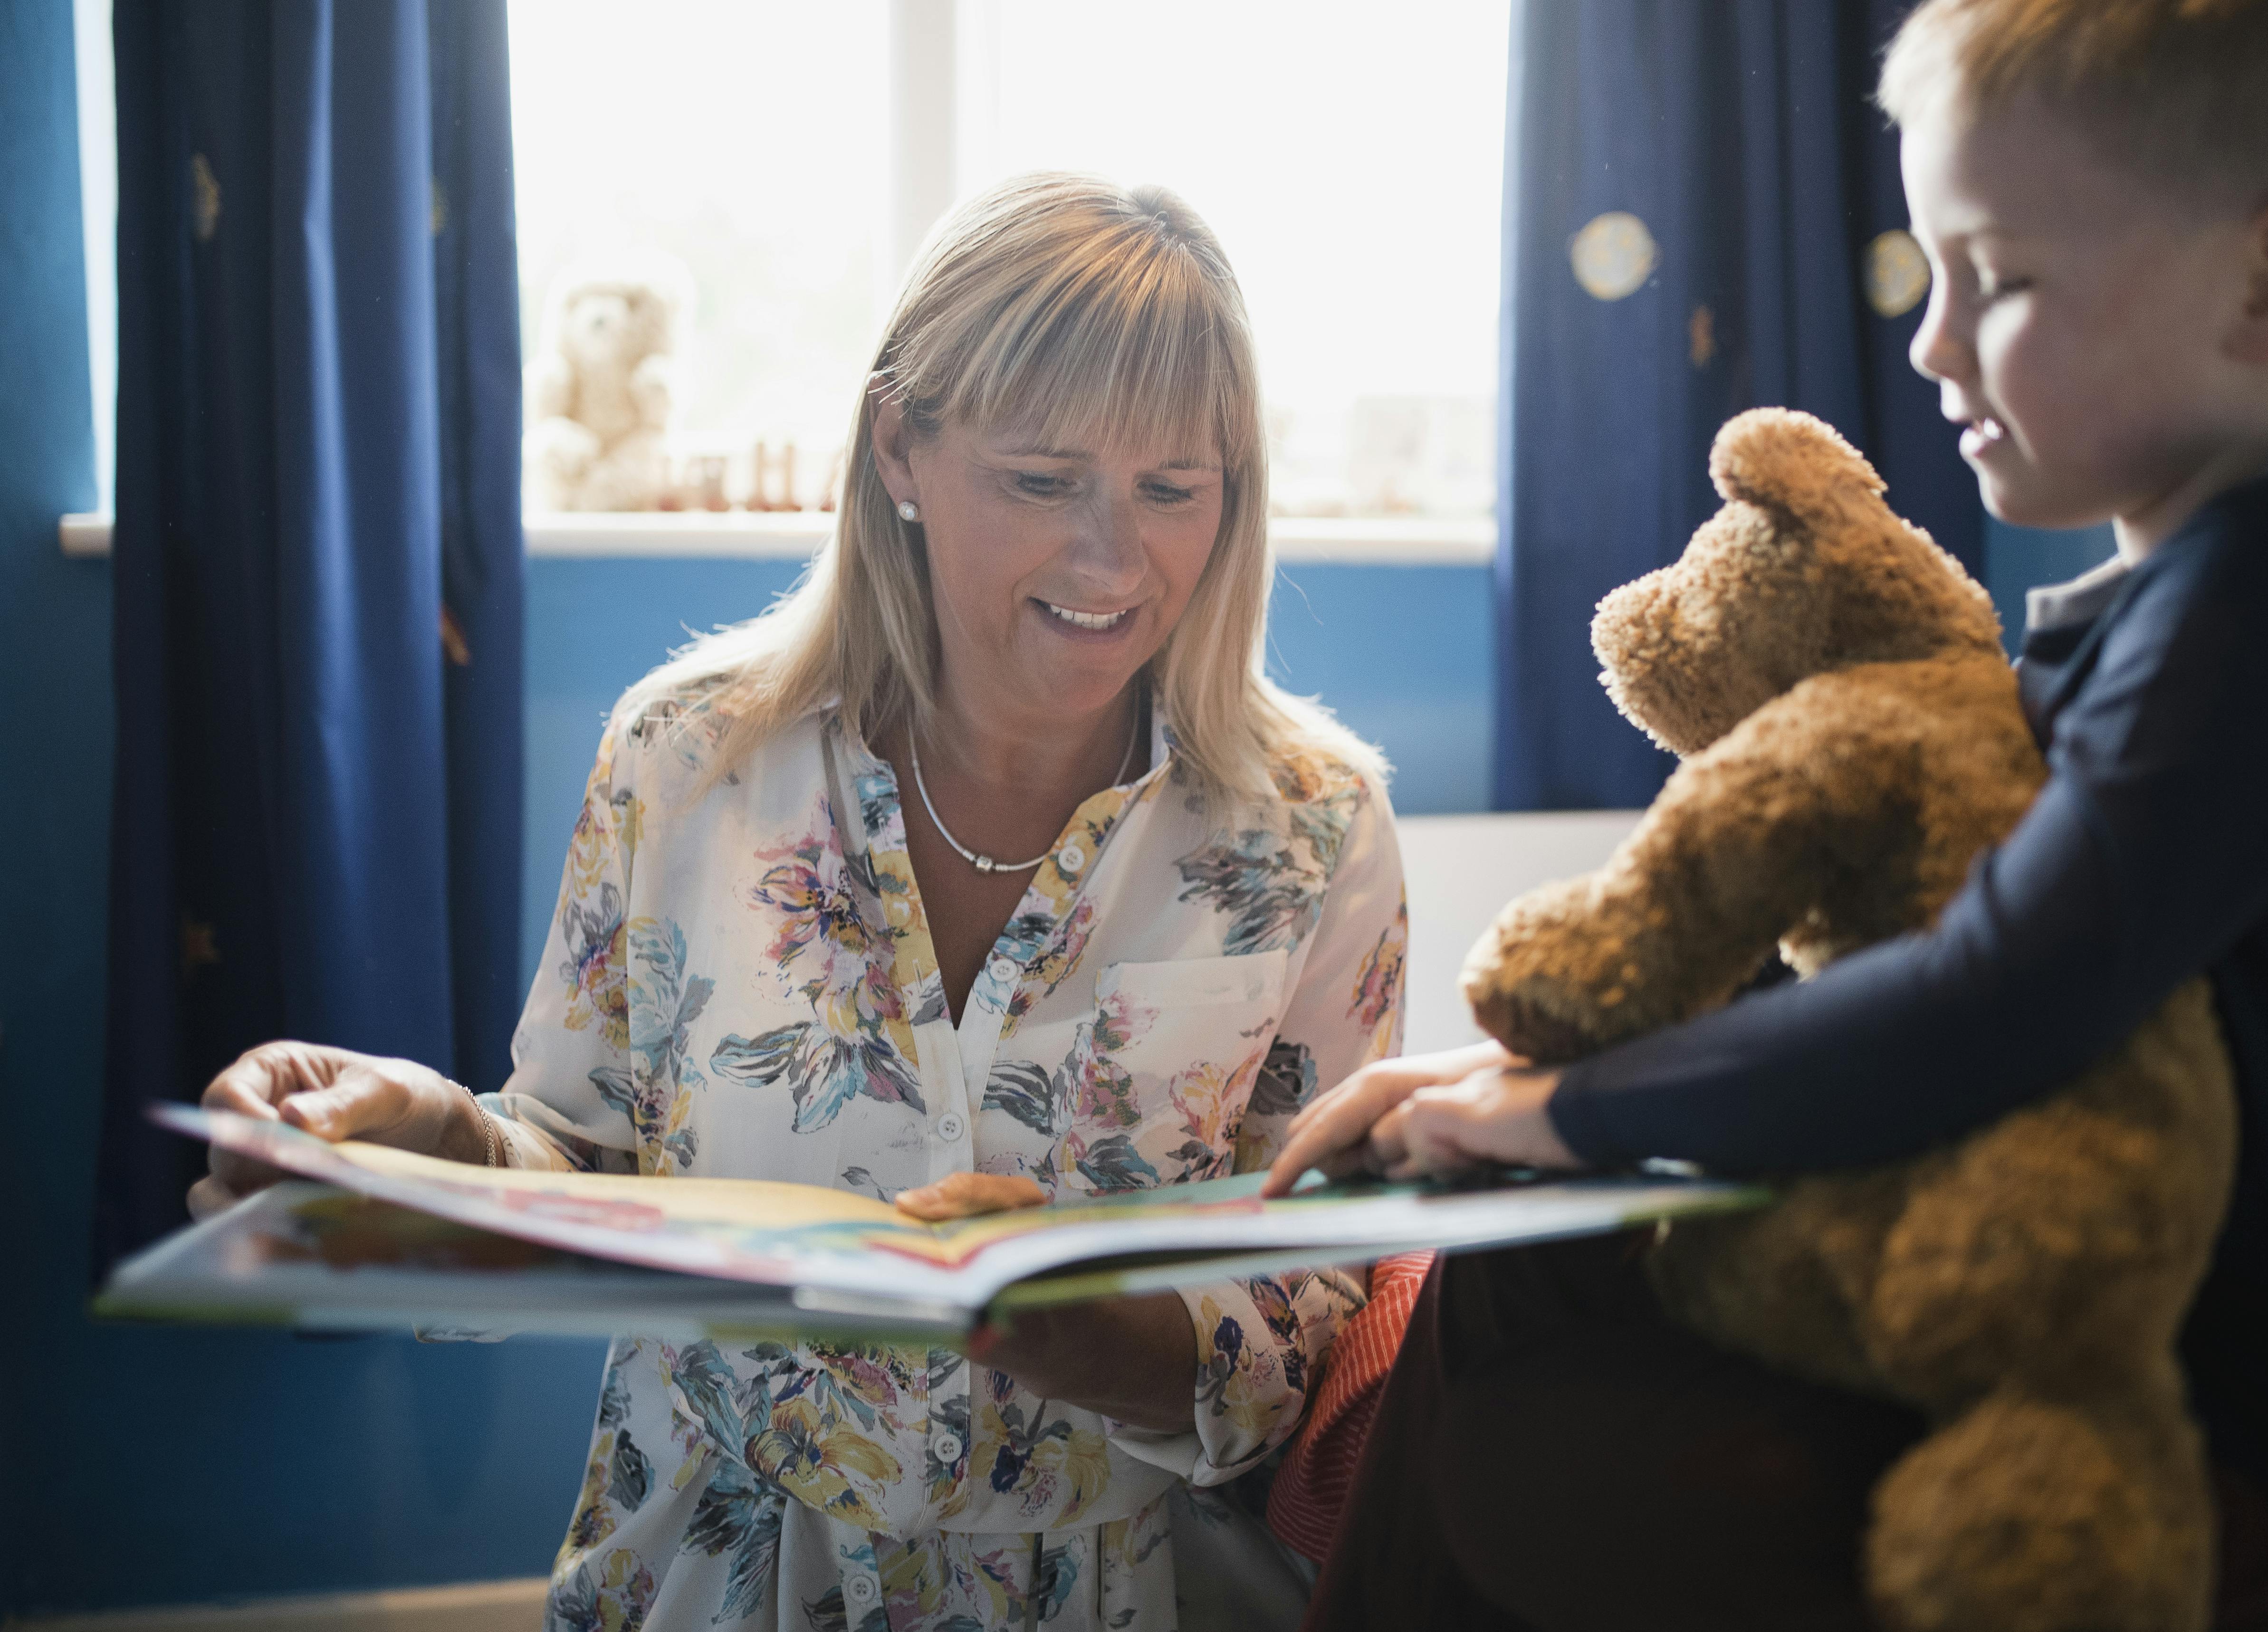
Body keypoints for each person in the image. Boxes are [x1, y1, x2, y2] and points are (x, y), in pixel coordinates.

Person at [1269, 1, 2268, 1627]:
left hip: (2266, 1437)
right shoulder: (2187, 600)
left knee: (1546, 1458)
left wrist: (1571, 1107)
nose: (1929, 343)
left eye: (2001, 278)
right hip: (2118, 1327)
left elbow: (2003, 987)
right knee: (1509, 1257)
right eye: (1931, 271)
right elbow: (1917, 931)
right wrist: (1528, 1082)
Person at [192, 173, 1407, 1632]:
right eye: (1043, 479)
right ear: (901, 443)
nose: (1112, 557)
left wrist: (1104, 1340)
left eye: (1172, 488)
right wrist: (425, 1147)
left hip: (1118, 1588)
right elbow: (585, 1175)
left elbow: (1323, 1316)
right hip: (715, 1570)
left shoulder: (1314, 827)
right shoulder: (688, 758)